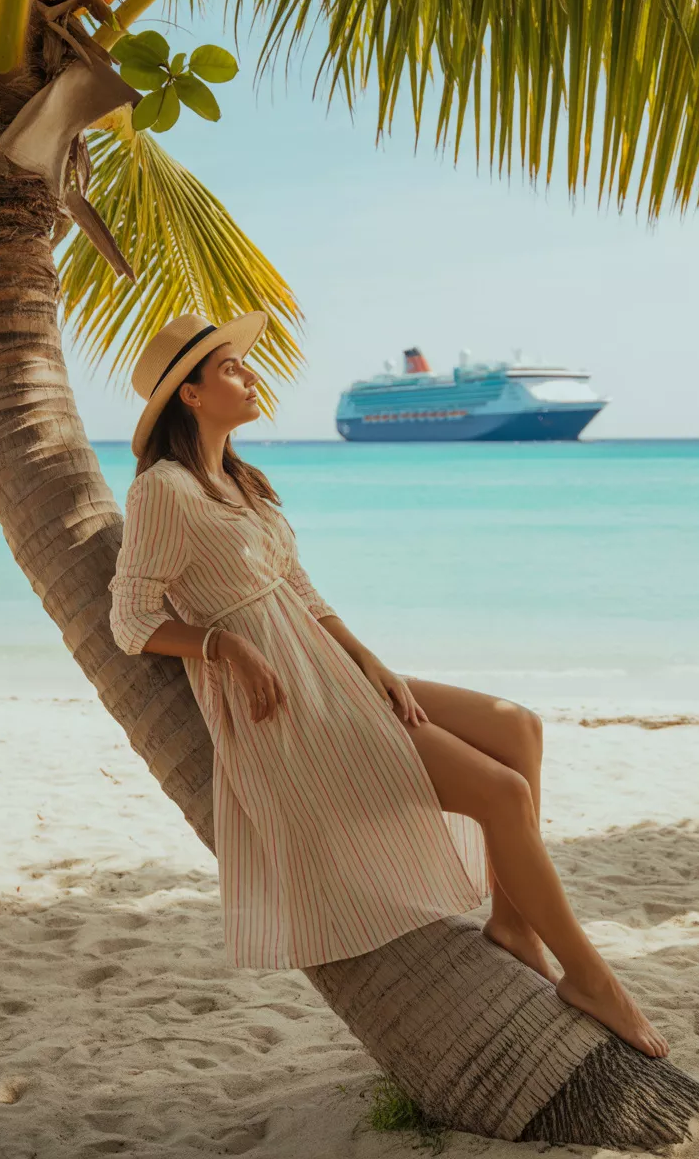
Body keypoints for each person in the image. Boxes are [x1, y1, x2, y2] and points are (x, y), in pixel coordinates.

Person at [108, 310, 668, 1059]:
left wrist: (368, 660)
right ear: (190, 395)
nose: (250, 375)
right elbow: (130, 618)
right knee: (503, 794)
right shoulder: (163, 491)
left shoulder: (240, 481)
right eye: (231, 368)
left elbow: (300, 589)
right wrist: (225, 645)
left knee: (519, 725)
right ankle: (590, 975)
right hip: (288, 703)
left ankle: (514, 923)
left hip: (327, 666)